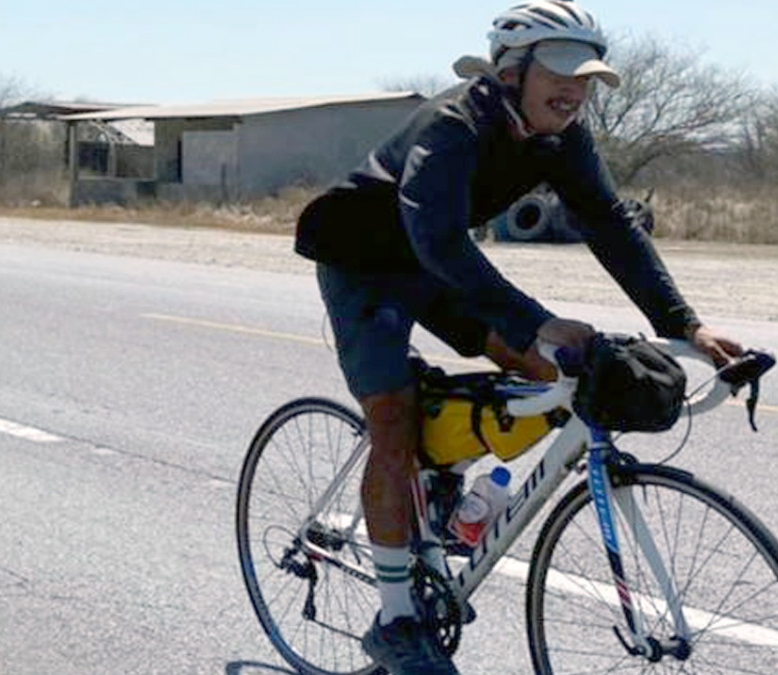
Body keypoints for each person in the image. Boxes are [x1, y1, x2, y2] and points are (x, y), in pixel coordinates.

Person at [294, 1, 743, 673]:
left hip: (437, 263)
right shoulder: (451, 128)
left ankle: (456, 494)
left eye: (588, 75)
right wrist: (535, 318)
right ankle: (395, 621)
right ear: (510, 71)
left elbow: (610, 224)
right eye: (561, 71)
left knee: (550, 377)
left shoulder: (561, 137)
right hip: (365, 264)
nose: (577, 89)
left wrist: (684, 323)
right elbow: (440, 239)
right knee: (393, 417)